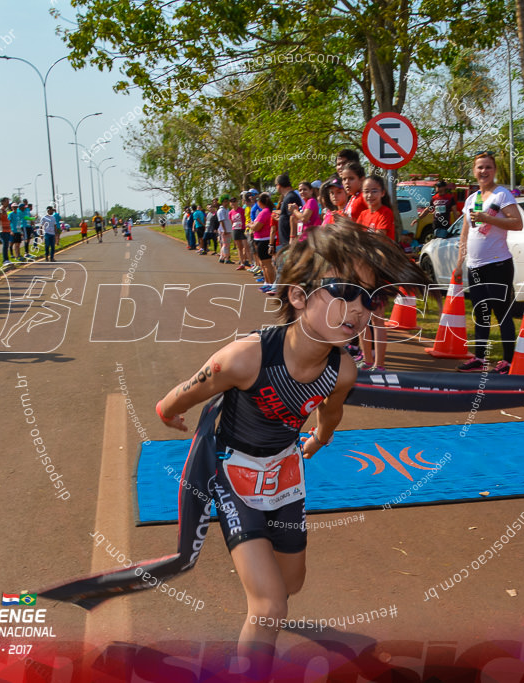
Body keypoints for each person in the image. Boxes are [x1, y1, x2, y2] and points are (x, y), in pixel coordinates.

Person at [154, 220, 426, 681]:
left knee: (291, 584)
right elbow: (185, 392)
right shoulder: (245, 357)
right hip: (232, 473)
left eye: (369, 297)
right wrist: (167, 412)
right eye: (343, 290)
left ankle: (264, 575)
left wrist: (319, 438)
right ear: (299, 297)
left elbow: (331, 411)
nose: (357, 309)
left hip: (285, 475)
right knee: (268, 604)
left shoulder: (342, 369)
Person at [455, 151, 524, 373]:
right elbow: (465, 234)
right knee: (480, 312)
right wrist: (459, 262)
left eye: (488, 167)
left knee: (501, 312)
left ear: (494, 170)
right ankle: (480, 357)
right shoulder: (471, 199)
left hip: (498, 264)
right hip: (474, 266)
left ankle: (508, 360)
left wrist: (487, 218)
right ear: (474, 171)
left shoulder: (502, 195)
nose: (483, 171)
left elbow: (517, 223)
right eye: (479, 167)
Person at [355, 174, 397, 371]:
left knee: (378, 320)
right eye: (366, 191)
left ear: (382, 192)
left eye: (374, 190)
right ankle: (368, 360)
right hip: (362, 275)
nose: (370, 195)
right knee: (363, 319)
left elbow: (378, 240)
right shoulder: (363, 215)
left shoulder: (385, 213)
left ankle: (380, 364)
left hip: (379, 274)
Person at [250, 193, 276, 291]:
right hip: (261, 239)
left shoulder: (265, 212)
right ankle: (267, 282)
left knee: (267, 263)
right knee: (263, 264)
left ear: (260, 202)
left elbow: (257, 226)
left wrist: (250, 225)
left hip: (263, 240)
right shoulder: (267, 211)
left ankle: (271, 283)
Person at [274, 174, 301, 254]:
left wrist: (292, 238)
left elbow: (294, 218)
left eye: (275, 185)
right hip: (285, 240)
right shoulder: (287, 197)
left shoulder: (290, 197)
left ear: (279, 185)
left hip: (289, 240)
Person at [230, 196, 250, 270]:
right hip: (235, 229)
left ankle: (249, 262)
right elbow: (231, 221)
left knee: (246, 246)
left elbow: (245, 218)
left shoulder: (241, 210)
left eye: (234, 202)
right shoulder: (230, 212)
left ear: (237, 202)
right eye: (232, 202)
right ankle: (241, 262)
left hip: (243, 229)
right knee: (239, 247)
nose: (233, 203)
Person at [217, 195, 233, 263]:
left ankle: (222, 257)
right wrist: (224, 230)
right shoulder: (221, 210)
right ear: (222, 202)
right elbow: (221, 221)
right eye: (225, 202)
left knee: (227, 244)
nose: (226, 203)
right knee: (226, 245)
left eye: (227, 201)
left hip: (229, 229)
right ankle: (226, 258)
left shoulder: (227, 210)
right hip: (224, 230)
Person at [0, 197, 13, 263]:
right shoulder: (0, 210)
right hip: (2, 230)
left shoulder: (5, 210)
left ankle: (6, 258)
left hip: (7, 230)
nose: (8, 203)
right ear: (2, 202)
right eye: (6, 201)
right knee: (5, 245)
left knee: (6, 245)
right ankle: (5, 259)